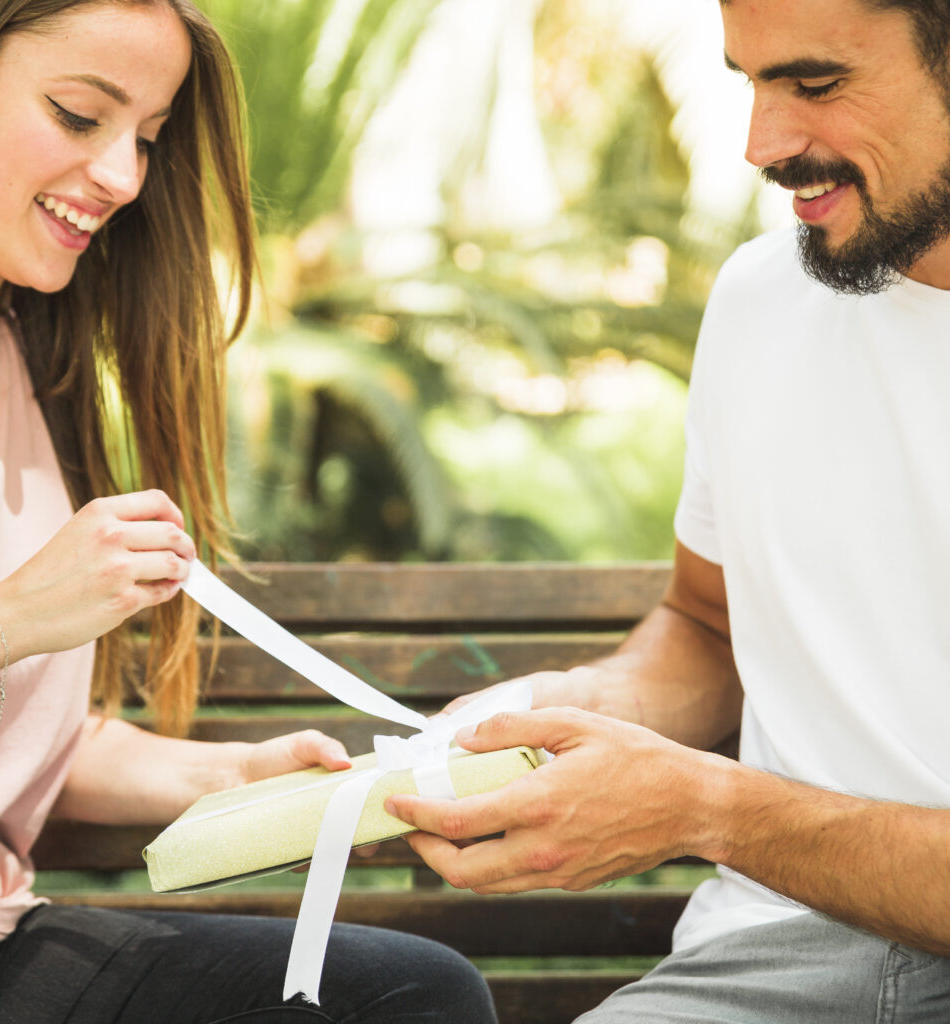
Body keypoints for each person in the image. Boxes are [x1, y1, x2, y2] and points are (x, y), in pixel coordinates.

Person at [0, 2, 497, 1022]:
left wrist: (233, 773)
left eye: (144, 138)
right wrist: (9, 616)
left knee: (415, 994)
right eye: (76, 115)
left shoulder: (22, 348)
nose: (122, 177)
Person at [384, 0, 950, 1020]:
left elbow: (717, 807)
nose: (761, 144)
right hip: (782, 952)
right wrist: (588, 712)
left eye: (814, 85)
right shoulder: (760, 301)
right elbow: (708, 625)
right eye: (749, 79)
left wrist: (704, 808)